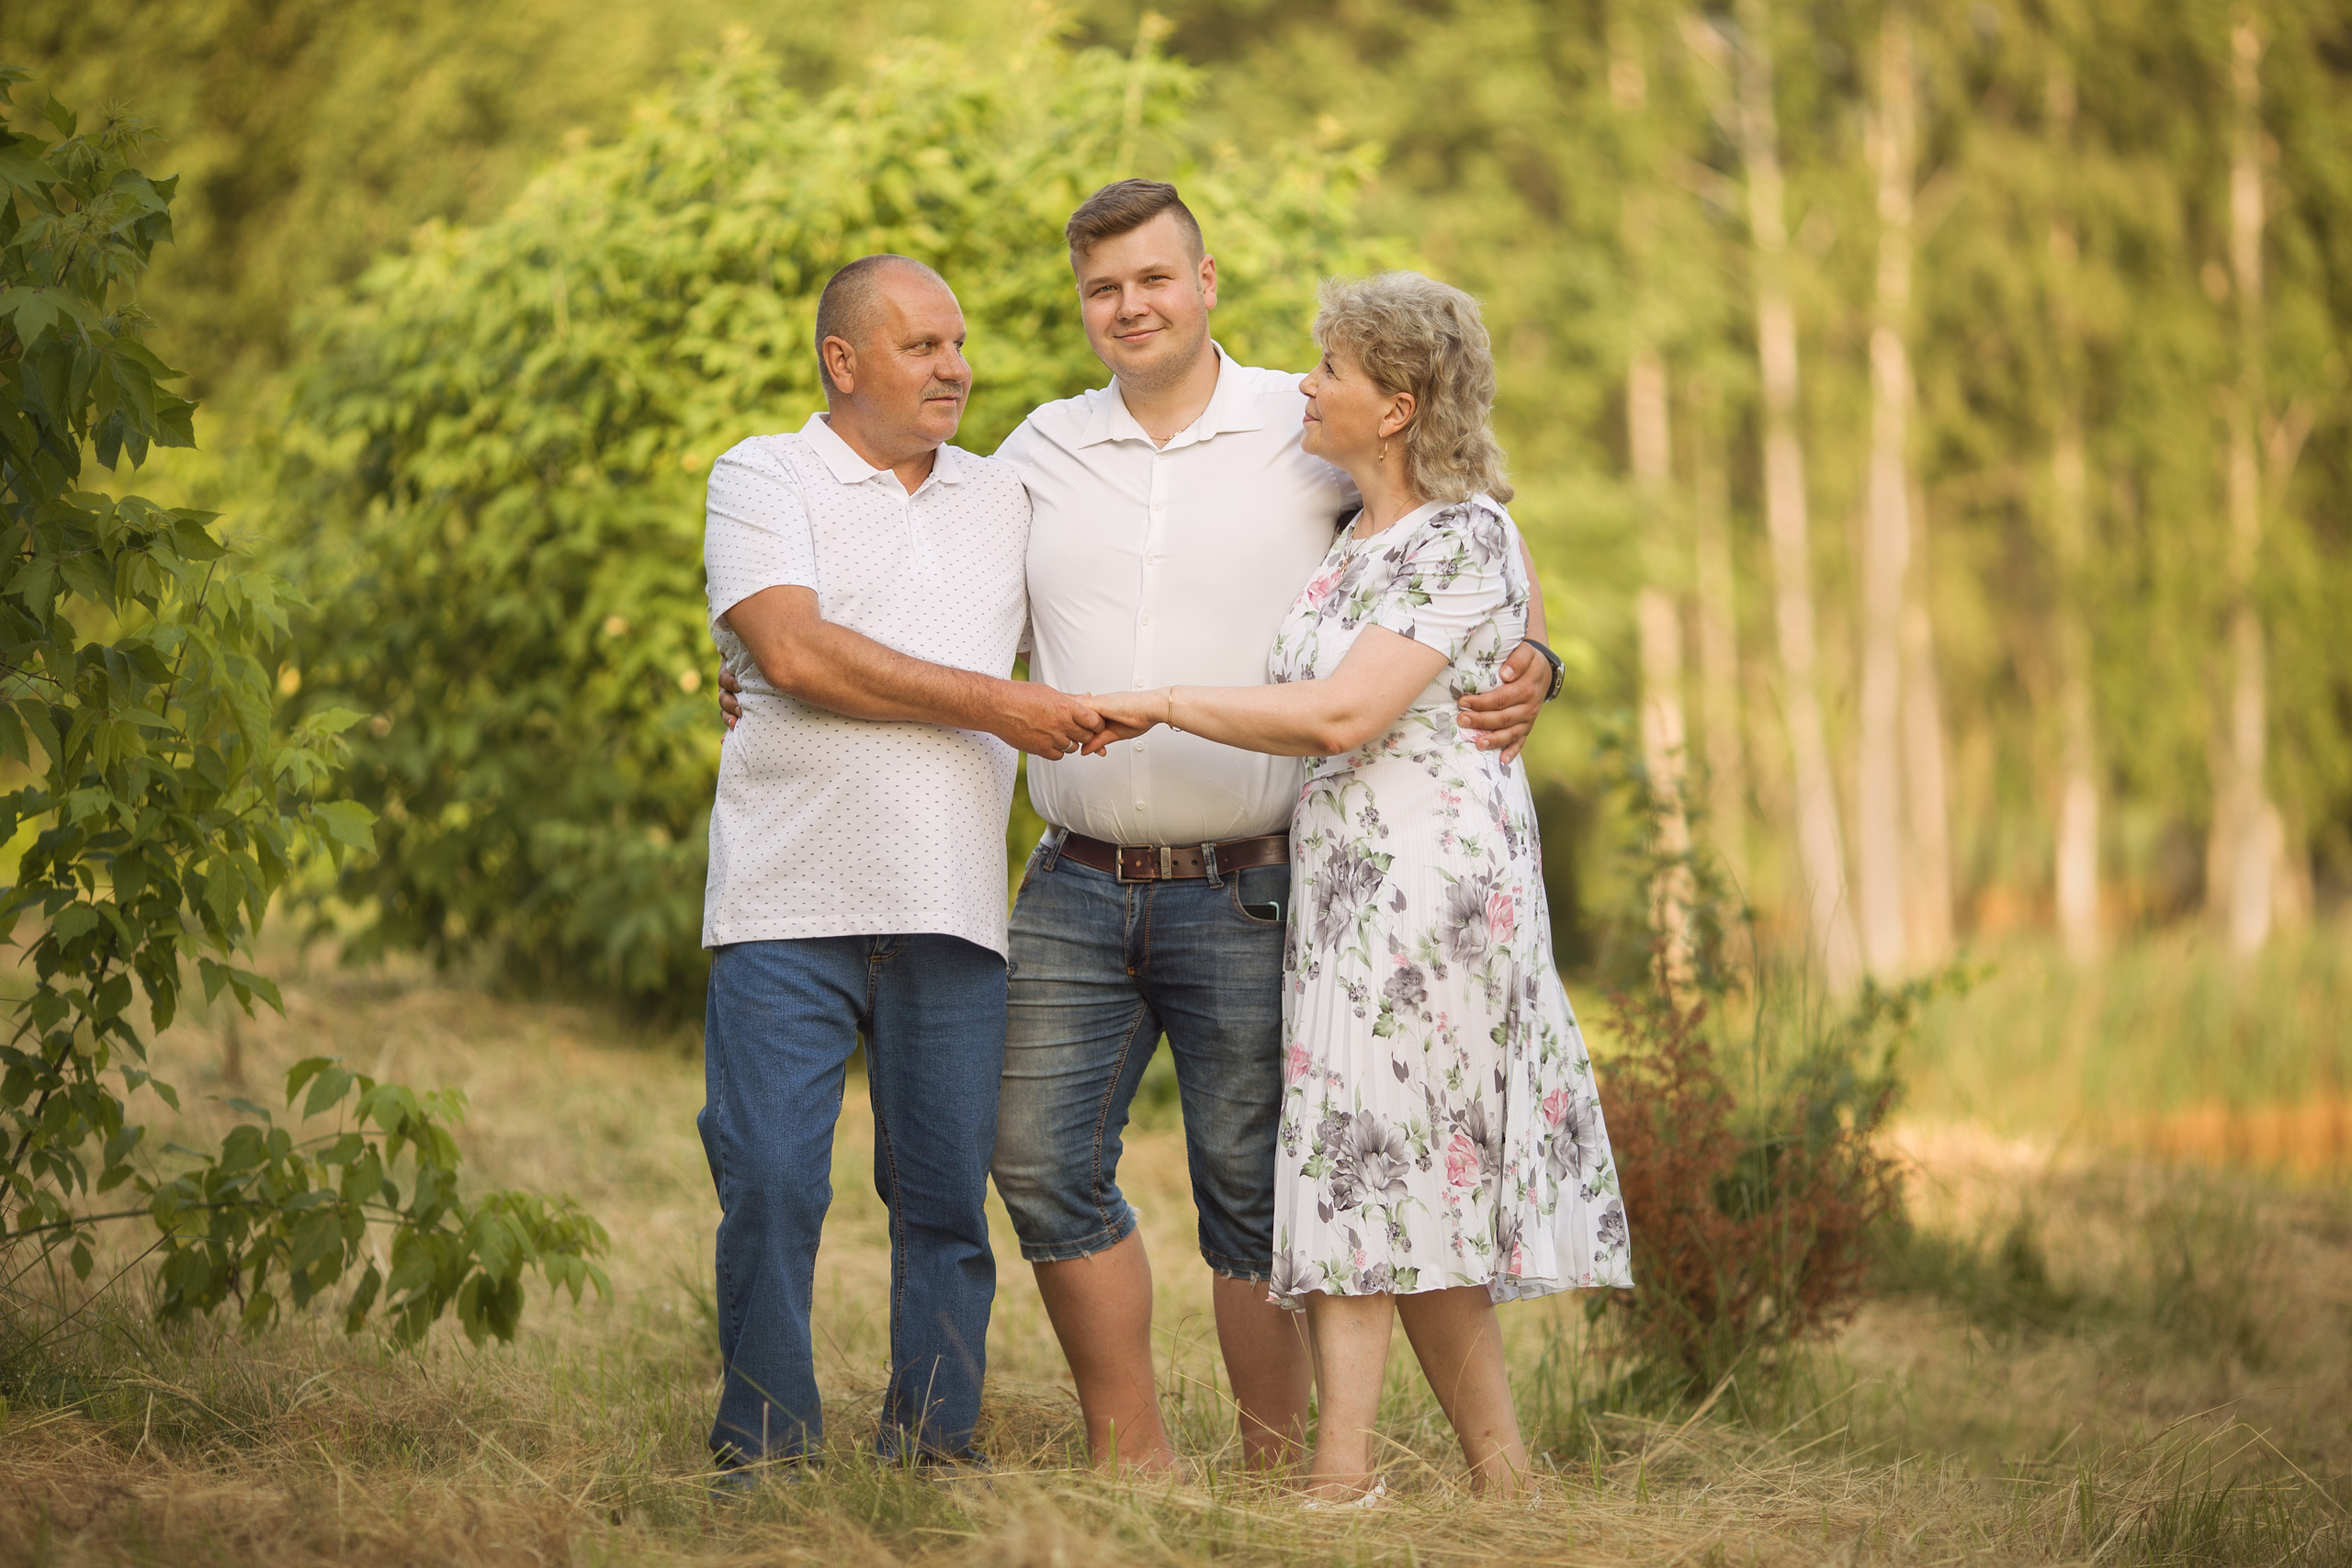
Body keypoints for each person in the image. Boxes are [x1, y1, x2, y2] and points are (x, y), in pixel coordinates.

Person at [718, 185, 1556, 1475]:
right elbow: (908, 591)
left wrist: (1535, 655)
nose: (1131, 307)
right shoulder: (1035, 456)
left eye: (1154, 279)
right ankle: (1136, 1453)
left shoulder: (1308, 421)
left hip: (1256, 879)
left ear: (1206, 280)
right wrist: (754, 669)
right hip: (1074, 881)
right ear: (1082, 305)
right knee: (1034, 1164)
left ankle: (1278, 1468)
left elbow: (1461, 518)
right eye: (1103, 288)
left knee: (1254, 1189)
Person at [1081, 270, 1634, 1502]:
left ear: (1395, 405)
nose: (1304, 386)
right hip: (1346, 901)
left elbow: (1344, 712)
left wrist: (1164, 699)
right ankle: (1509, 1484)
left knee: (1365, 1168)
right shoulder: (1352, 537)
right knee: (1405, 1174)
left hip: (1431, 907)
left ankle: (1339, 1480)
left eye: (1327, 369)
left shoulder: (1461, 533)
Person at [695, 254, 1101, 1477]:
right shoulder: (762, 471)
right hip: (782, 896)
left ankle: (933, 1451)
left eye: (959, 343)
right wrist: (994, 702)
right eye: (924, 345)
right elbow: (796, 651)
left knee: (943, 1203)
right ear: (844, 360)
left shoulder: (1007, 495)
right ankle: (763, 1450)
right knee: (768, 1180)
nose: (957, 367)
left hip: (952, 902)